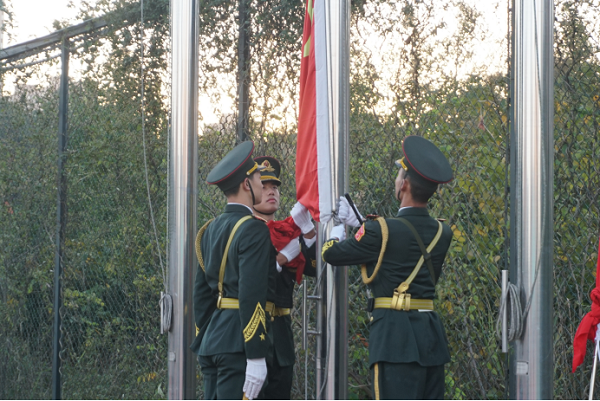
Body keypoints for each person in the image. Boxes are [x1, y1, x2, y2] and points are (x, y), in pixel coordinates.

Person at [322, 135, 454, 400]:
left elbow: (332, 254)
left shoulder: (379, 231)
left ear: (404, 185)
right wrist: (363, 224)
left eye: (399, 175)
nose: (396, 180)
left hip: (395, 339)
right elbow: (400, 246)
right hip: (430, 338)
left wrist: (337, 231)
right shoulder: (443, 232)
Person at [190, 141, 277, 400]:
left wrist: (205, 336)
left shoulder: (209, 229)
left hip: (213, 340)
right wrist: (256, 355)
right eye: (258, 178)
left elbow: (201, 294)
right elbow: (252, 294)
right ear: (246, 184)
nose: (262, 184)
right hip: (239, 344)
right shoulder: (254, 229)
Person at [251, 156, 317, 399]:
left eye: (275, 187)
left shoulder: (288, 232)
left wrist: (308, 232)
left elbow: (314, 268)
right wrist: (280, 259)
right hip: (253, 329)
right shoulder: (244, 229)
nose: (271, 192)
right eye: (264, 186)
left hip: (281, 333)